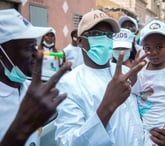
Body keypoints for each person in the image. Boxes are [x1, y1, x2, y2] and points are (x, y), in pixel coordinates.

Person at [54, 9, 148, 146]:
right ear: (80, 41)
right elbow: (67, 142)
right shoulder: (69, 83)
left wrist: (154, 133)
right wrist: (108, 105)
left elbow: (139, 116)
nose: (105, 39)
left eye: (109, 35)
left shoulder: (126, 72)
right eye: (96, 34)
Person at [0, 9, 71, 146]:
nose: (36, 53)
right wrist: (22, 127)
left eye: (34, 45)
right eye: (27, 47)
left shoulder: (32, 90)